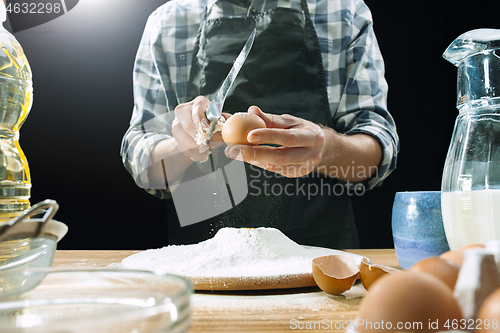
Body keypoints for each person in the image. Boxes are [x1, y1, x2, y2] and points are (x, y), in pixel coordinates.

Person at [121, 0, 399, 249]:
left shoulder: (343, 12)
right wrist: (183, 145)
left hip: (319, 259)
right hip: (205, 262)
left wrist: (326, 148)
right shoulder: (168, 24)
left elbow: (378, 152)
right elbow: (142, 164)